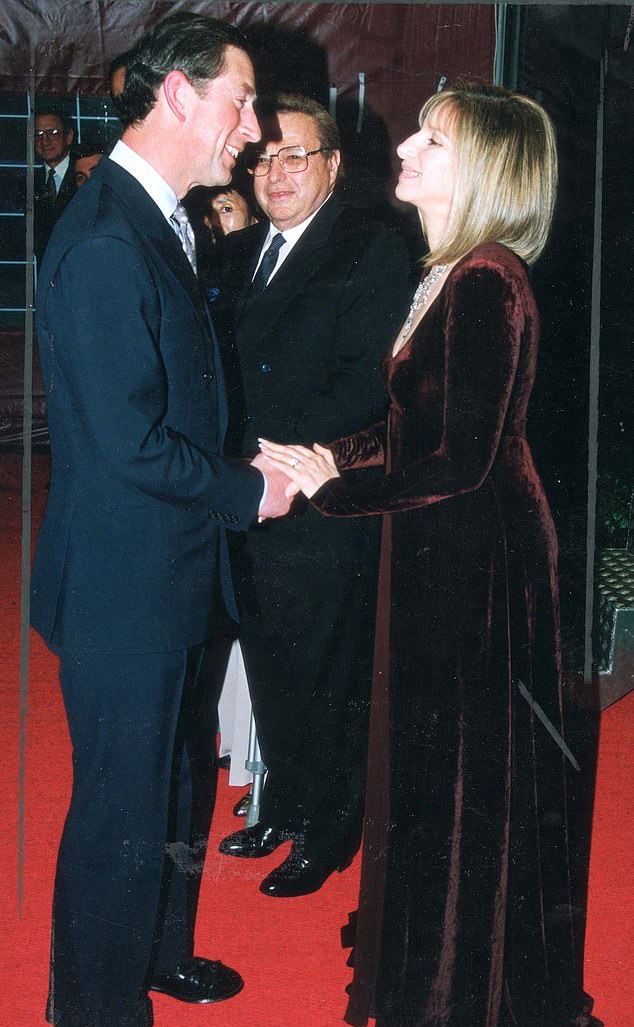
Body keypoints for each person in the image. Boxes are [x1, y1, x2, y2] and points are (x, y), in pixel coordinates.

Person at [258, 82, 603, 1027]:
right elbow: (413, 430)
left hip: (477, 561)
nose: (404, 143)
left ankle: (462, 990)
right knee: (441, 768)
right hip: (444, 552)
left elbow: (454, 461)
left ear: (484, 167)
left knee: (465, 771)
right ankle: (436, 965)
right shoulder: (453, 271)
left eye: (432, 137)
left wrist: (331, 492)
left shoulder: (487, 280)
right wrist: (325, 453)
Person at [31, 13, 291, 1027]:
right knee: (123, 804)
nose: (255, 125)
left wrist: (241, 456)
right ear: (177, 96)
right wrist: (250, 488)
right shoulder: (102, 239)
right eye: (240, 99)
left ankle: (156, 949)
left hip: (175, 572)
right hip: (126, 588)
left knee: (179, 785)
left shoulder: (157, 217)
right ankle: (99, 1019)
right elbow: (128, 439)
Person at [217, 93, 410, 897]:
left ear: (332, 165)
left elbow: (362, 382)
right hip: (244, 499)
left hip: (316, 500)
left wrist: (272, 459)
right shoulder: (234, 254)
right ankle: (283, 802)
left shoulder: (370, 249)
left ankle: (327, 831)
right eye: (263, 158)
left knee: (324, 674)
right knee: (267, 665)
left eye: (296, 156)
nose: (276, 173)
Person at [33, 106, 76, 262]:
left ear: (69, 136)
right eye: (38, 134)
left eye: (53, 133)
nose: (44, 141)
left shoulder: (85, 176)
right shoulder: (30, 184)